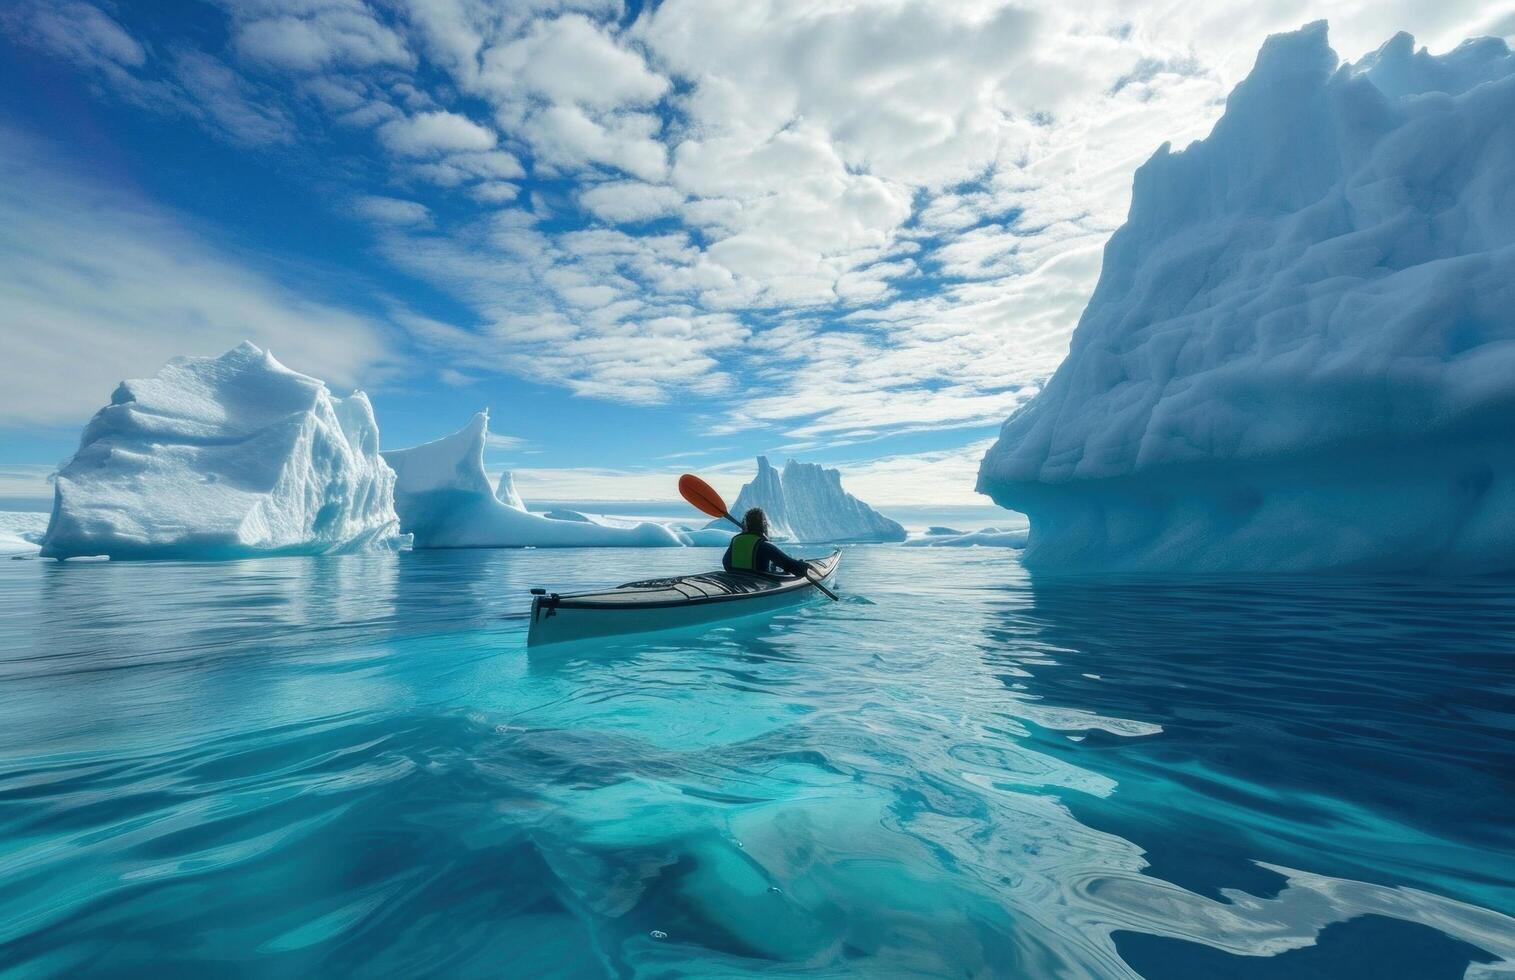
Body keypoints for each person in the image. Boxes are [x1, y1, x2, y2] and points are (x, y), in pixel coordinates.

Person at [723, 507, 811, 577]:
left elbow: (725, 563)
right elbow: (790, 566)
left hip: (737, 580)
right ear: (763, 524)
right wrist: (802, 564)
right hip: (758, 583)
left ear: (746, 523)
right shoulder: (764, 545)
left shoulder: (736, 540)